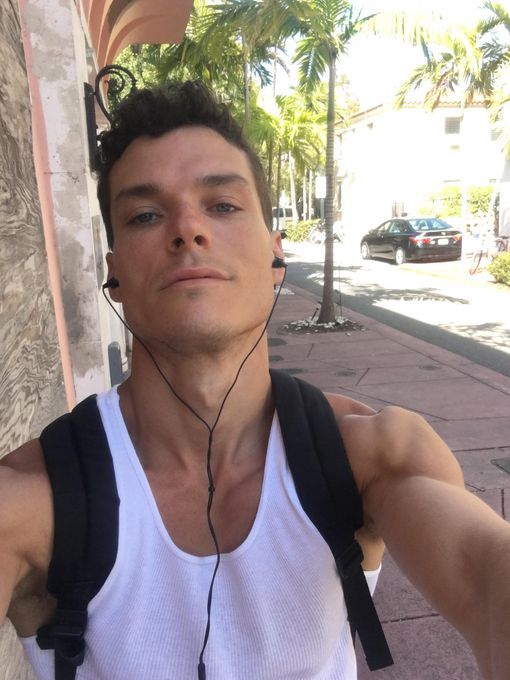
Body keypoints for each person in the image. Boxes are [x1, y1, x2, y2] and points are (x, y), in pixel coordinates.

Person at [1, 81, 509, 680]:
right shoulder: (32, 499)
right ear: (113, 274)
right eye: (145, 215)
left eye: (222, 205)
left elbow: (486, 575)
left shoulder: (368, 456)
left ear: (275, 254)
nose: (187, 228)